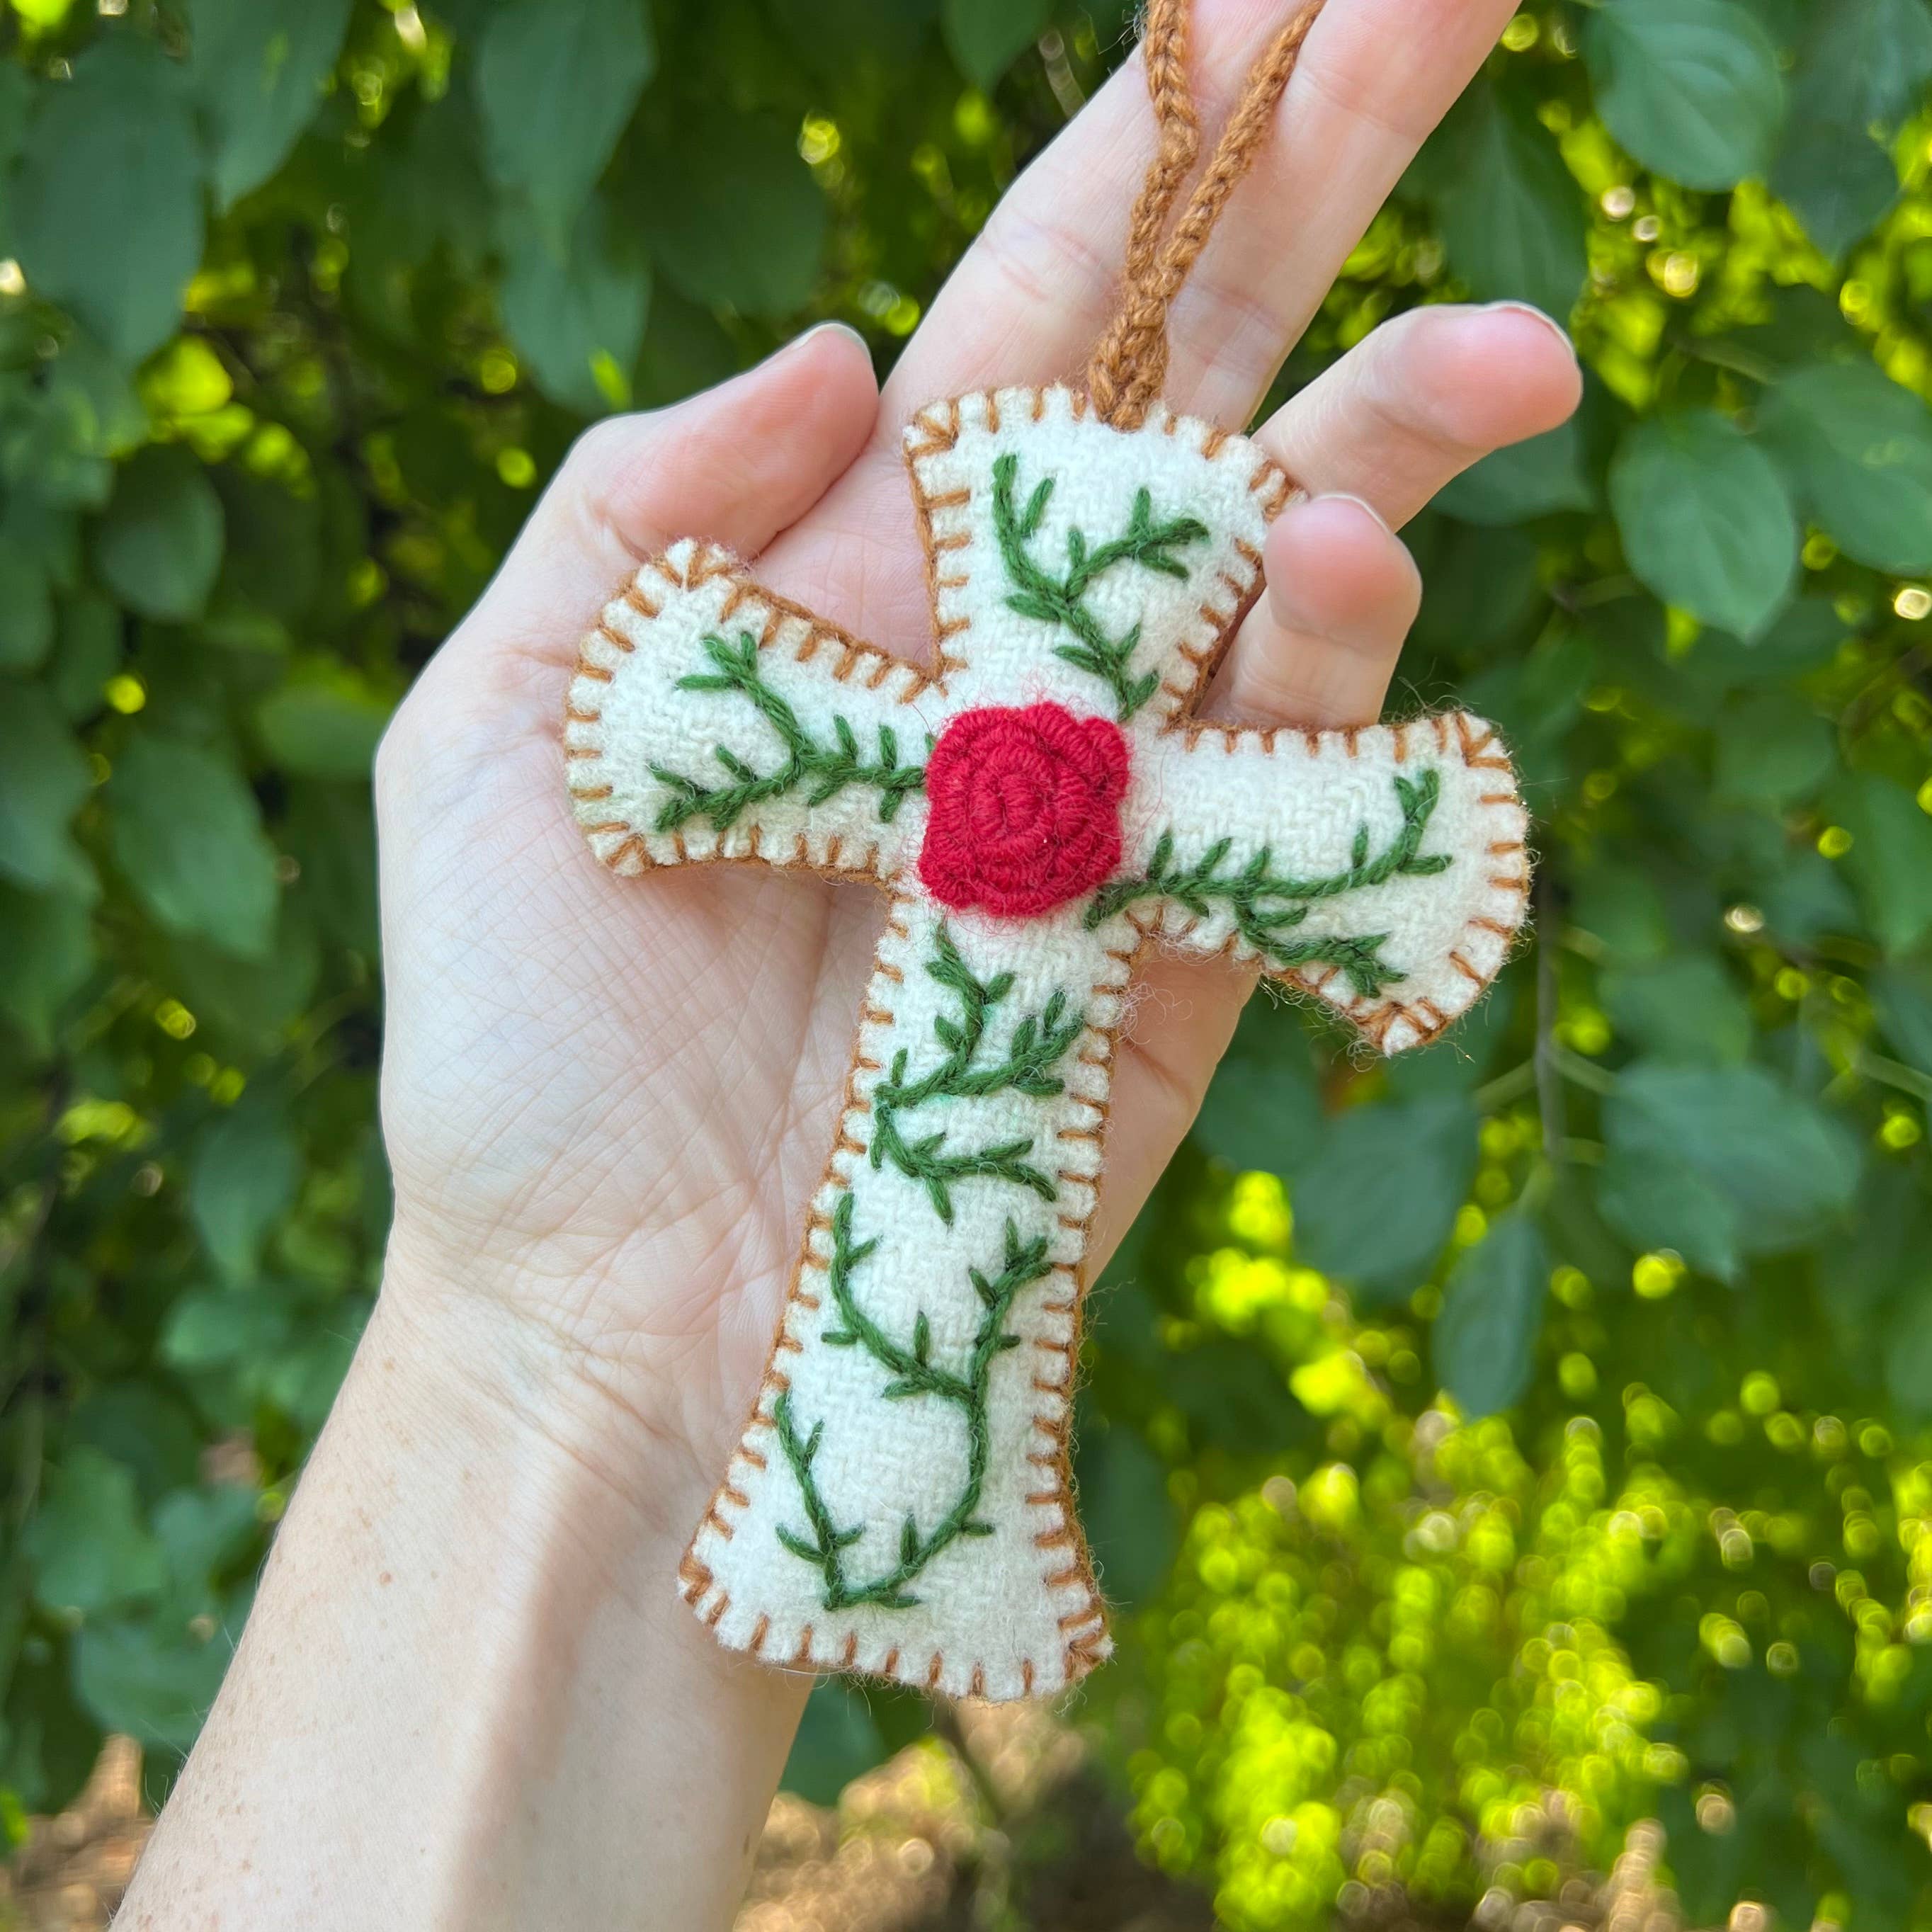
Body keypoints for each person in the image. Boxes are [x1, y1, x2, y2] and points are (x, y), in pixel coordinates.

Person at [116, 1, 1581, 1923]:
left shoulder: (1075, 726)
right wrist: (534, 1346)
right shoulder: (869, 723)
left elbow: (1400, 861)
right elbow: (684, 713)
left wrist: (544, 1384)